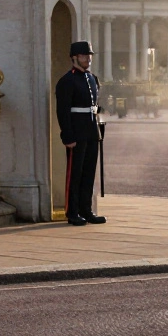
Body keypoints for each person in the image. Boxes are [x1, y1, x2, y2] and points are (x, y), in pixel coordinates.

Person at [55, 40, 106, 226]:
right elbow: (63, 111)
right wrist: (67, 136)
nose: (88, 59)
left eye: (89, 56)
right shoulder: (67, 81)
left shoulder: (92, 78)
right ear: (74, 58)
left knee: (88, 173)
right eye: (85, 56)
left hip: (91, 132)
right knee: (74, 174)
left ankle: (87, 210)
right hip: (76, 133)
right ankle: (72, 211)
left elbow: (93, 105)